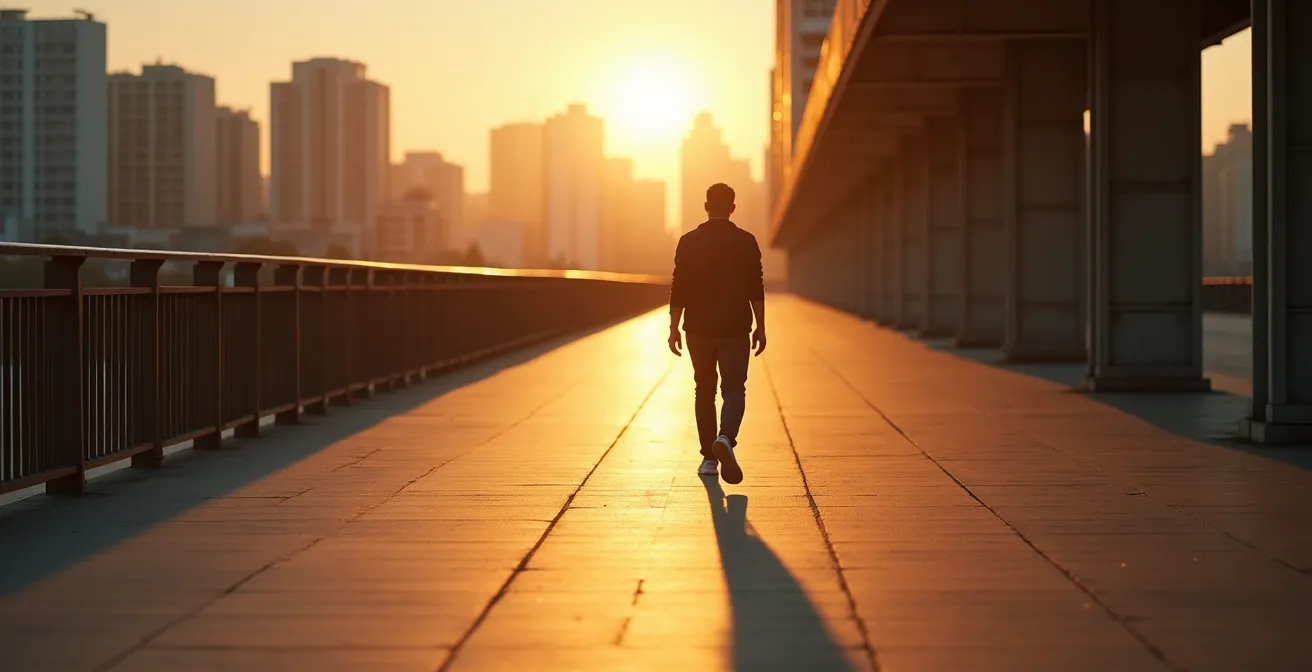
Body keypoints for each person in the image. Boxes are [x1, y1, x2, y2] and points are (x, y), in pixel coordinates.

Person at [667, 182, 766, 485]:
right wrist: (761, 326)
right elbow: (755, 288)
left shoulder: (688, 242)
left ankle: (709, 459)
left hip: (698, 328)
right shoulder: (747, 241)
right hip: (736, 327)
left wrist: (673, 328)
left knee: (704, 390)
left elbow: (678, 288)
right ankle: (725, 438)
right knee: (734, 388)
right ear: (733, 207)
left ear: (706, 206)